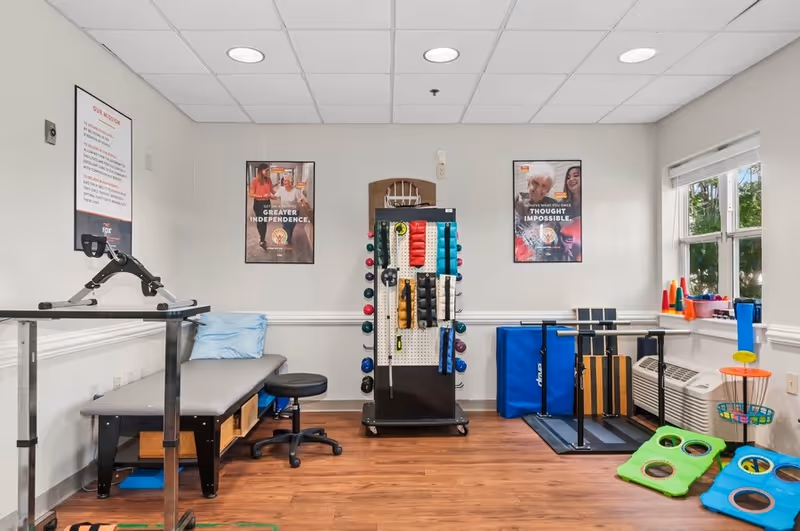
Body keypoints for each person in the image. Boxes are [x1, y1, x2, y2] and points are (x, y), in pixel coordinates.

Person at [275, 174, 308, 246]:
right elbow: (275, 196)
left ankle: (288, 236)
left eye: (286, 181)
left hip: (294, 212)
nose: (284, 182)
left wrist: (307, 210)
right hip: (284, 211)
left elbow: (302, 201)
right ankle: (287, 239)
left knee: (291, 225)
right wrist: (268, 196)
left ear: (291, 182)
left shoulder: (296, 191)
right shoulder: (281, 189)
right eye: (284, 181)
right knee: (286, 225)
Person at [249, 164, 277, 250]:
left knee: (264, 222)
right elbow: (251, 194)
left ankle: (262, 240)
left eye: (268, 170)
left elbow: (272, 191)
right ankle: (262, 238)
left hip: (266, 203)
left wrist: (278, 194)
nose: (267, 172)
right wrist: (262, 196)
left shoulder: (268, 180)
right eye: (266, 170)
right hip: (258, 204)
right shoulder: (255, 180)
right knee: (259, 222)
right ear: (261, 171)